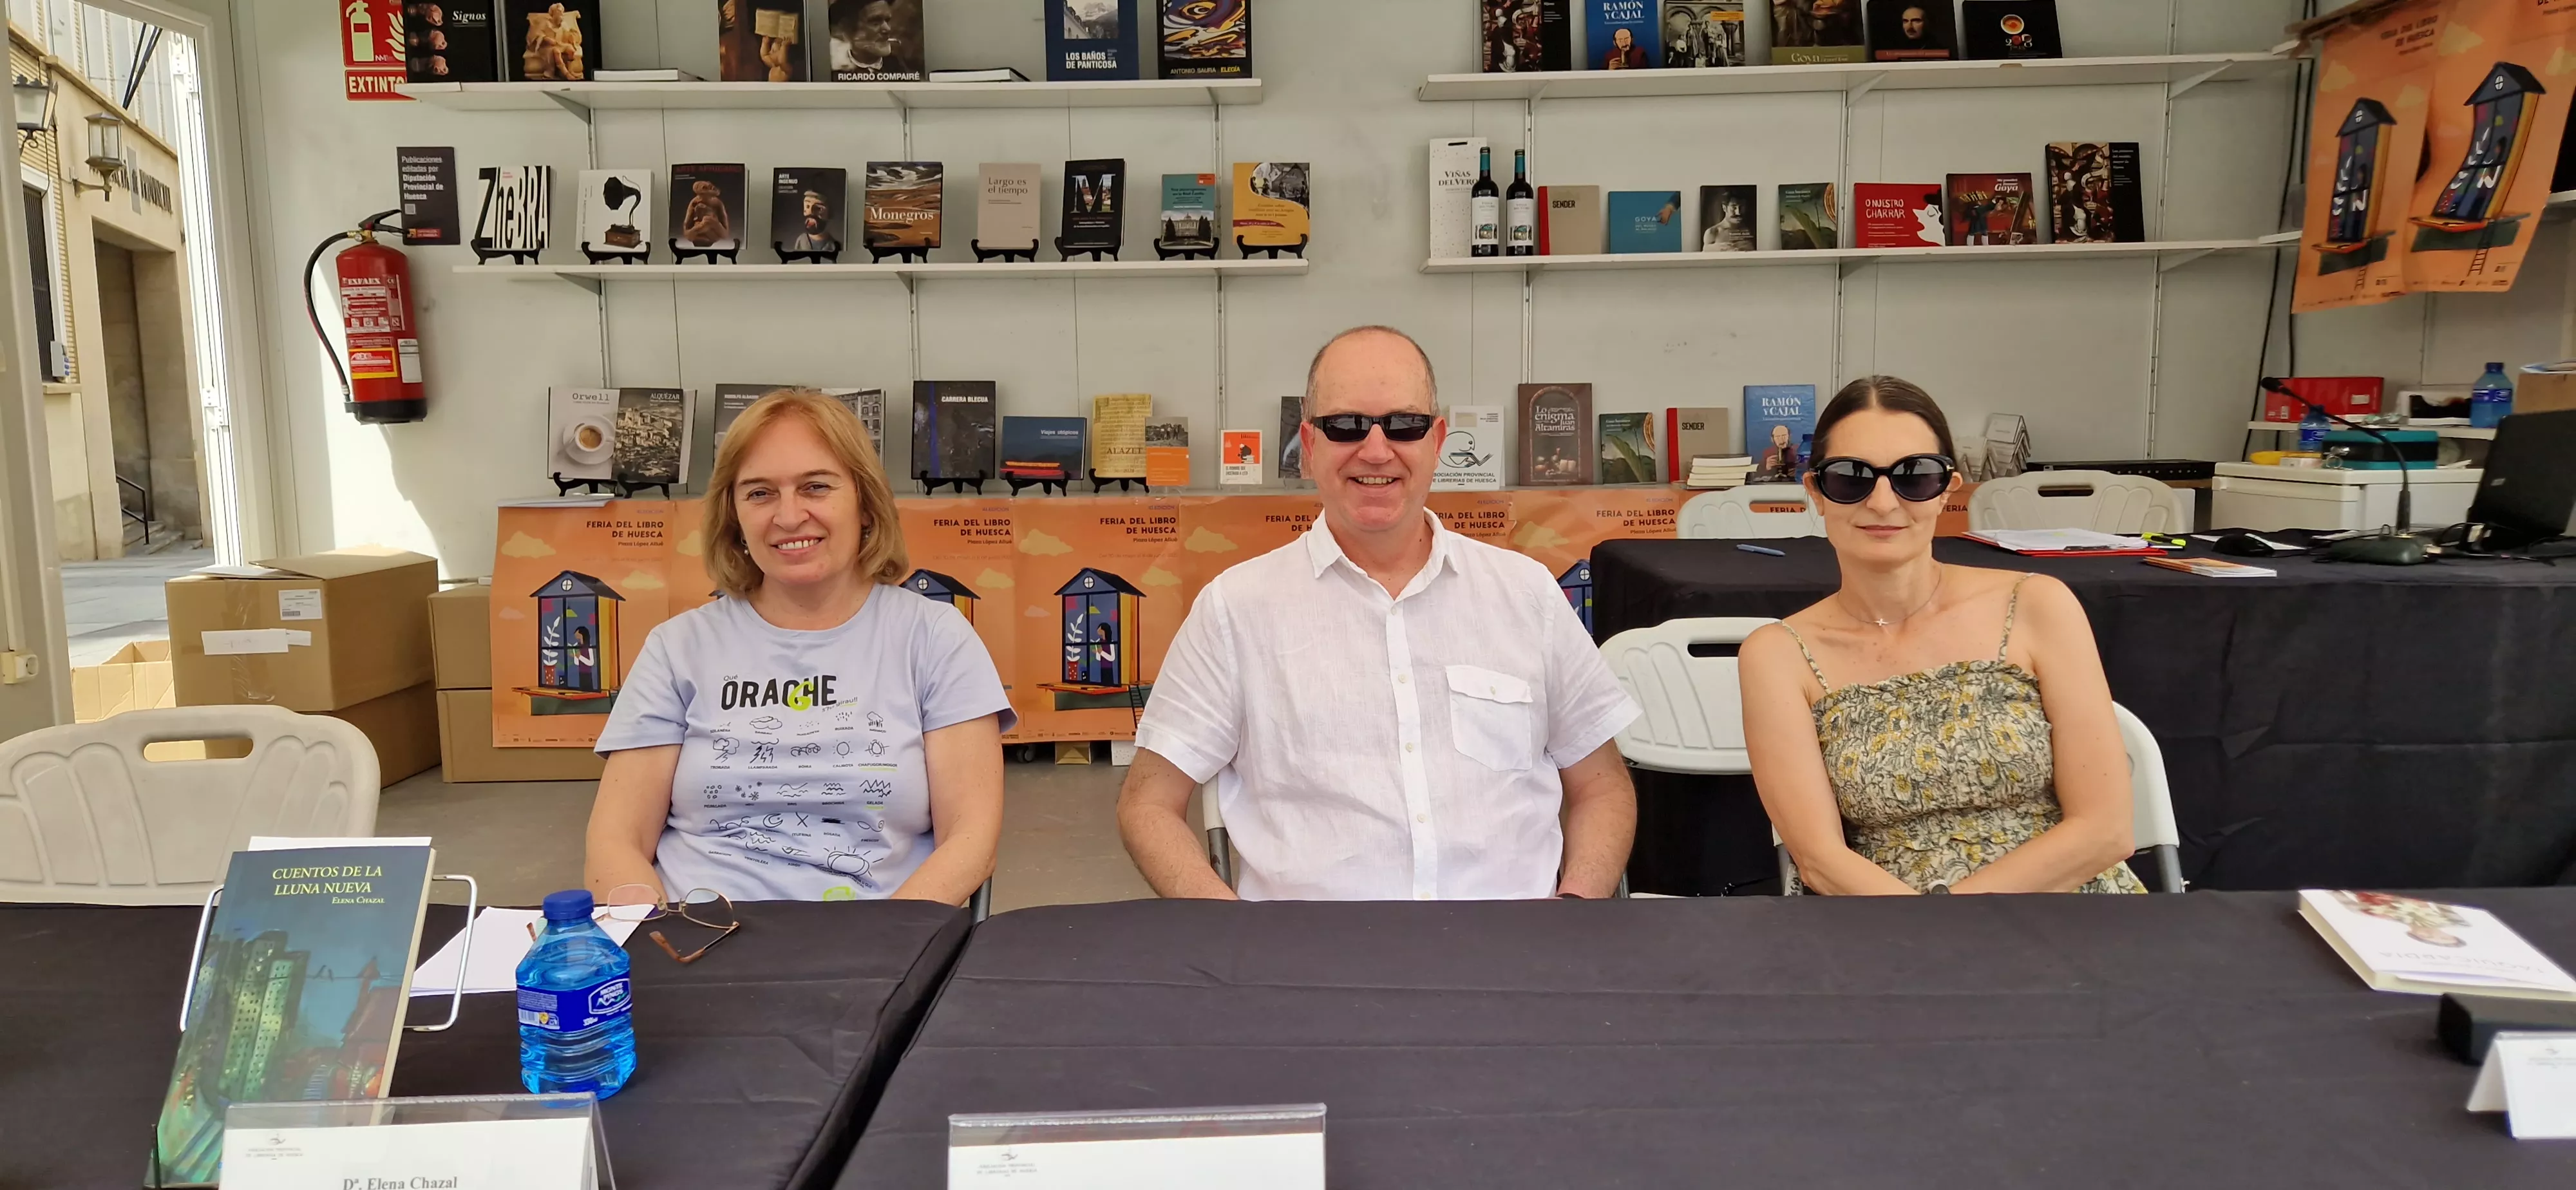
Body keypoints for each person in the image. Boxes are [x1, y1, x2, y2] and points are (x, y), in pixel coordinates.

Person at [1118, 327, 1642, 901]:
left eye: (1404, 425)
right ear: (1309, 445)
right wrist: (1238, 942)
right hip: (1306, 966)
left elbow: (1602, 788)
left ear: (1438, 441)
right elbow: (1148, 804)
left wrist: (1573, 915)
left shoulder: (1527, 595)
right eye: (1346, 426)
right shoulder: (1235, 610)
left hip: (1511, 956)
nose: (1375, 450)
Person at [585, 390, 1012, 905]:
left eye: (815, 487)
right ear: (734, 517)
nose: (789, 517)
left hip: (879, 945)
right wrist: (659, 942)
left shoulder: (935, 637)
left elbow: (970, 841)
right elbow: (616, 842)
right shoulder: (678, 647)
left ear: (865, 503)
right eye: (760, 493)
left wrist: (886, 951)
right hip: (697, 940)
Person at [1737, 377, 2143, 896]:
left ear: (1949, 488)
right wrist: (1934, 939)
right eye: (1850, 478)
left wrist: (1955, 922)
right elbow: (1820, 861)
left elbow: (2104, 831)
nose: (1883, 502)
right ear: (1816, 491)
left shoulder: (2039, 605)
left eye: (1914, 476)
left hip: (2067, 911)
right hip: (1884, 929)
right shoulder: (1778, 655)